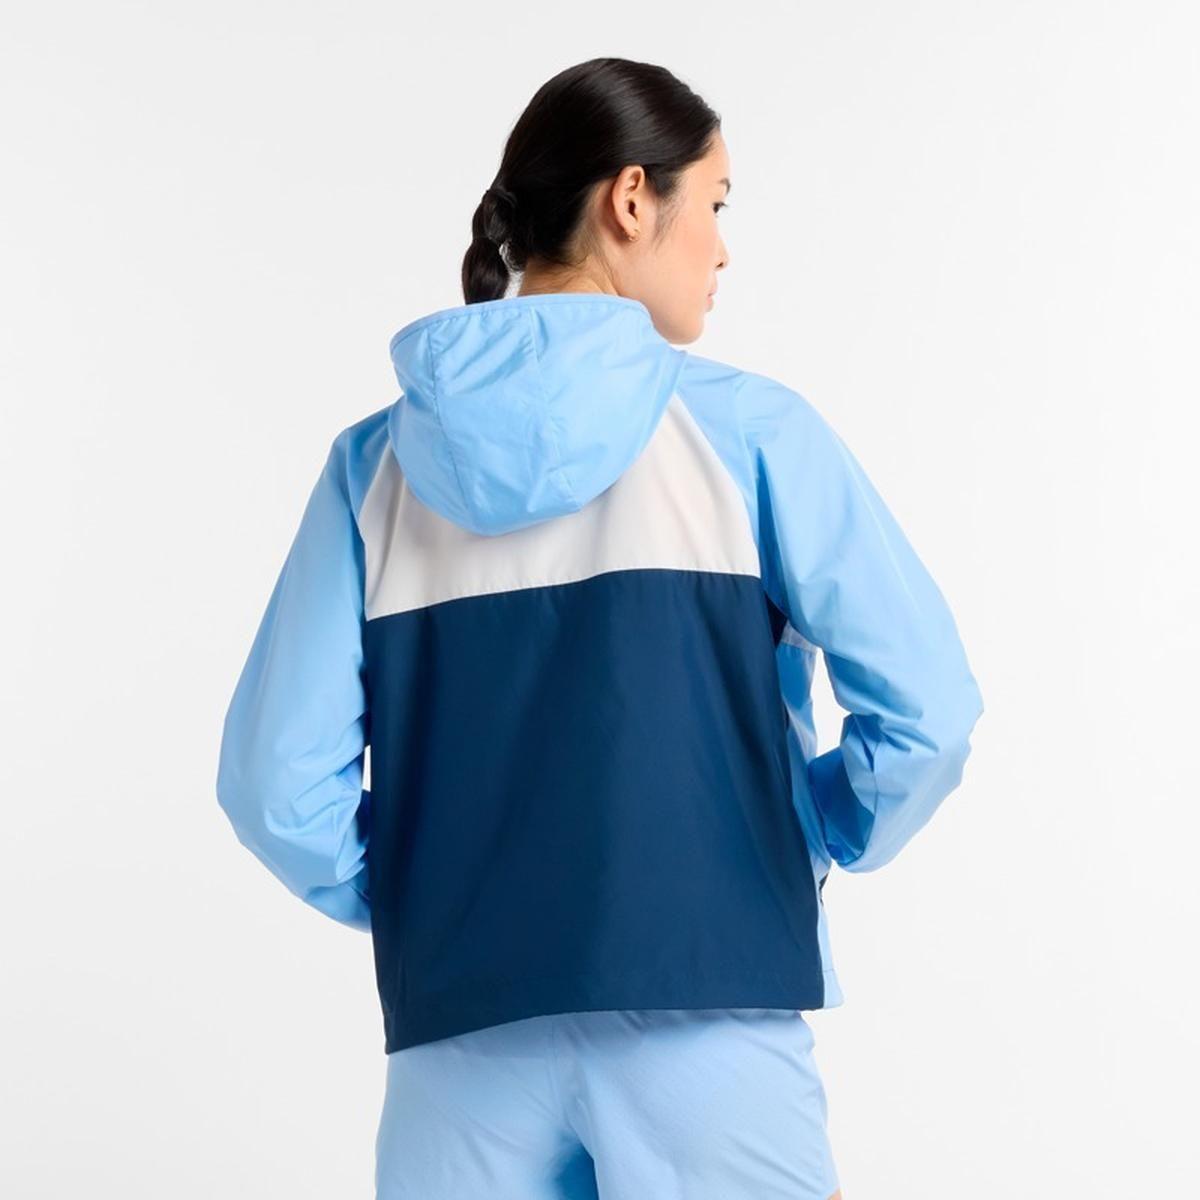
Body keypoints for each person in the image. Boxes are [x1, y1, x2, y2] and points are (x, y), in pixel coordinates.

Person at [215, 56, 984, 1200]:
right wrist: (800, 833)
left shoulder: (373, 470)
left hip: (459, 1053)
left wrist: (445, 890)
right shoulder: (751, 436)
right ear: (632, 199)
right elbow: (929, 715)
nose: (722, 249)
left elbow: (276, 788)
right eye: (715, 203)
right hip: (713, 1020)